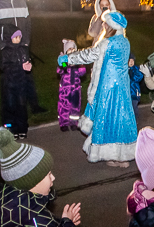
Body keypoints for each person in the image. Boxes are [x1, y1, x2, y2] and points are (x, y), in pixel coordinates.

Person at [58, 10, 138, 167]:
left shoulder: (106, 43)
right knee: (121, 117)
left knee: (107, 118)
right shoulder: (125, 42)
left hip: (107, 87)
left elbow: (88, 55)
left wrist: (67, 59)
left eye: (105, 23)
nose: (103, 24)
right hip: (121, 86)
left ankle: (109, 154)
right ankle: (121, 156)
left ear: (111, 26)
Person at [0, 30, 34, 139]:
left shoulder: (23, 49)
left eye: (19, 37)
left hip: (21, 83)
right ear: (9, 37)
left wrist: (29, 64)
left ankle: (22, 128)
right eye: (15, 37)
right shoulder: (5, 52)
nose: (18, 39)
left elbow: (28, 60)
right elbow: (3, 67)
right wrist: (20, 66)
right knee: (10, 106)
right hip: (9, 84)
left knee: (21, 106)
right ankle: (11, 129)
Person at [56, 40, 86, 131]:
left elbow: (82, 72)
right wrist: (63, 65)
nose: (71, 50)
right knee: (64, 106)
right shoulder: (64, 61)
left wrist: (80, 64)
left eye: (73, 49)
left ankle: (74, 123)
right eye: (69, 49)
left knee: (75, 107)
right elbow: (60, 71)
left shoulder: (78, 62)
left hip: (75, 89)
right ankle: (64, 123)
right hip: (65, 88)